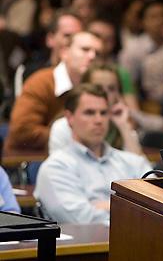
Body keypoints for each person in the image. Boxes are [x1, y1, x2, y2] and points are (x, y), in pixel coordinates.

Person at [34, 84, 152, 223]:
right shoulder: (56, 167)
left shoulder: (133, 162)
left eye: (103, 113)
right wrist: (132, 208)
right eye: (89, 113)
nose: (98, 120)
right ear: (69, 117)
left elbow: (160, 207)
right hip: (87, 243)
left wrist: (105, 206)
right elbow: (82, 220)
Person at [5, 30, 103, 150]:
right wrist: (76, 138)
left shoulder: (100, 88)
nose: (92, 56)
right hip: (30, 161)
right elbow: (22, 132)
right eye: (85, 49)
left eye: (97, 53)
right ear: (64, 53)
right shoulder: (41, 82)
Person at [49, 61, 143, 156]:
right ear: (84, 88)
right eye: (98, 87)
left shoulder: (121, 124)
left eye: (111, 88)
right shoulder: (63, 127)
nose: (105, 94)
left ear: (118, 94)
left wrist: (124, 126)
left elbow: (140, 168)